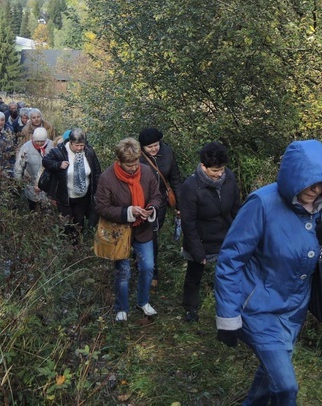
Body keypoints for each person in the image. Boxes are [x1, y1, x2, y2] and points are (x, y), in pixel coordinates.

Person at [214, 140, 322, 404]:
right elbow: (230, 259)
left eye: (321, 182)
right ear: (293, 176)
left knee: (269, 376)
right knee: (286, 388)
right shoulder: (262, 204)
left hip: (294, 311)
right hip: (259, 308)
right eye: (309, 181)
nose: (315, 188)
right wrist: (227, 315)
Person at [95, 137, 163, 322]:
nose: (134, 168)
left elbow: (157, 196)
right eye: (129, 165)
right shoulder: (107, 178)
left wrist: (151, 209)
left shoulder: (147, 172)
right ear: (119, 161)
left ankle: (143, 302)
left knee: (148, 266)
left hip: (143, 229)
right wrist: (128, 212)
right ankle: (121, 308)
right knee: (123, 271)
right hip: (119, 230)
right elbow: (101, 208)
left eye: (135, 163)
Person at [179, 142, 240, 323]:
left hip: (225, 235)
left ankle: (230, 309)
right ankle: (190, 309)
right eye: (215, 171)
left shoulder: (229, 178)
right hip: (201, 238)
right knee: (194, 275)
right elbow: (188, 223)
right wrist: (198, 252)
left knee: (229, 275)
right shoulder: (191, 186)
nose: (220, 174)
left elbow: (236, 208)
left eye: (222, 169)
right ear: (203, 167)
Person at [138, 128, 183, 287]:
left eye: (156, 145)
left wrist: (180, 204)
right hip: (141, 203)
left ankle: (146, 264)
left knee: (153, 233)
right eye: (149, 147)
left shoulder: (167, 152)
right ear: (142, 147)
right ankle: (151, 271)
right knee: (149, 235)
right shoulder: (137, 156)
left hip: (161, 202)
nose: (154, 149)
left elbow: (175, 179)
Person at [42, 128, 102, 245]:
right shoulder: (59, 151)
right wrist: (58, 165)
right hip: (65, 196)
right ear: (70, 142)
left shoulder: (89, 152)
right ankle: (65, 249)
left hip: (82, 196)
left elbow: (96, 171)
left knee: (79, 224)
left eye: (82, 145)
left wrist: (97, 191)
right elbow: (46, 161)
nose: (79, 148)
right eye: (77, 145)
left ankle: (76, 248)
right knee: (66, 225)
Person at [14, 127, 54, 211]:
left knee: (46, 208)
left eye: (42, 141)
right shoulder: (26, 147)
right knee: (32, 207)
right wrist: (18, 182)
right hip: (31, 182)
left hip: (47, 183)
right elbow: (19, 166)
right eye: (37, 141)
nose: (39, 143)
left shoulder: (52, 146)